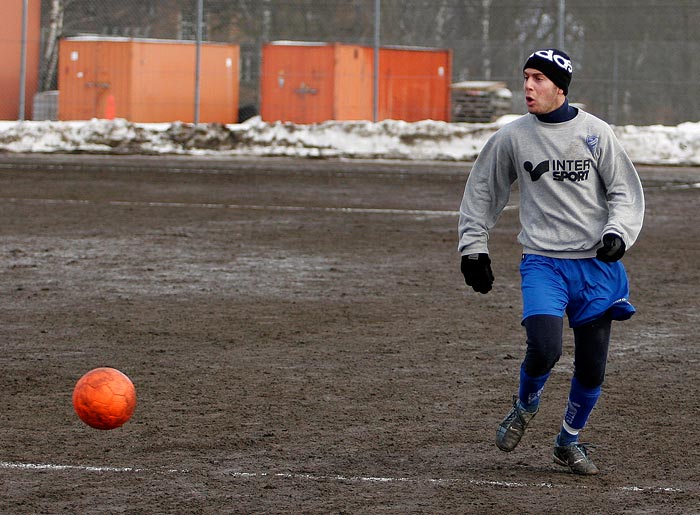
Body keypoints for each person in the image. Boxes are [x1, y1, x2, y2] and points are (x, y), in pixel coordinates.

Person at [457, 48, 644, 475]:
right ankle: (524, 406)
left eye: (539, 78)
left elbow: (624, 193)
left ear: (561, 86)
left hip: (597, 268)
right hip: (543, 262)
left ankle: (567, 441)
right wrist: (473, 247)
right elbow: (483, 192)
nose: (528, 86)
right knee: (544, 347)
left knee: (592, 368)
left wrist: (618, 233)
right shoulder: (513, 136)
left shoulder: (596, 134)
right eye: (525, 77)